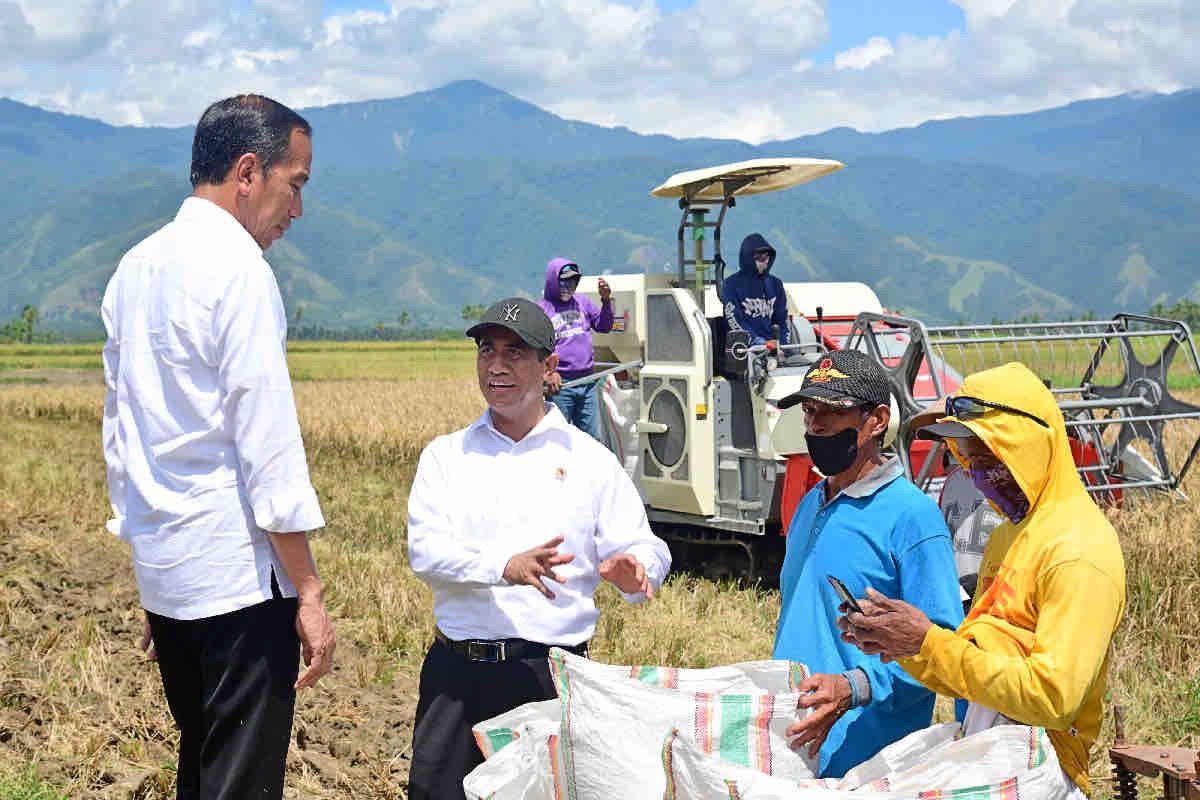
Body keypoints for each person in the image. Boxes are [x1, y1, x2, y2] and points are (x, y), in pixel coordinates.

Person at [101, 95, 335, 800]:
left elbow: (123, 436)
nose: (296, 210)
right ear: (246, 172)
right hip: (235, 581)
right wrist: (310, 588)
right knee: (238, 783)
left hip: (170, 579)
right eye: (294, 184)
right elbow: (266, 444)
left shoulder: (134, 268)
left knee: (202, 768)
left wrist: (150, 561)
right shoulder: (239, 272)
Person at [406, 296, 671, 799]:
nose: (497, 366)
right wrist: (503, 566)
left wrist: (638, 569)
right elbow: (425, 552)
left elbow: (646, 546)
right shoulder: (446, 456)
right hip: (455, 679)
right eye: (487, 351)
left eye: (515, 352)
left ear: (549, 366)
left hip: (546, 679)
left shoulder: (589, 461)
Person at [839, 362, 1126, 798]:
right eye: (967, 458)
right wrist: (904, 645)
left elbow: (1052, 698)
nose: (975, 473)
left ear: (1032, 443)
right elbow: (973, 662)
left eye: (988, 457)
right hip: (992, 751)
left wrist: (927, 643)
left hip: (1040, 769)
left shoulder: (1079, 551)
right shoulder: (1010, 533)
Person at [772, 350, 964, 777]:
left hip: (867, 760)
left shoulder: (913, 519)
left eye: (832, 412)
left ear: (876, 421)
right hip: (796, 744)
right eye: (809, 411)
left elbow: (943, 649)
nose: (816, 425)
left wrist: (853, 686)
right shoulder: (810, 506)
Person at [537, 257, 614, 438]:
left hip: (588, 382)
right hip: (561, 385)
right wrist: (546, 375)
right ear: (553, 281)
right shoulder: (541, 310)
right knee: (559, 437)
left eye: (573, 281)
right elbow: (533, 350)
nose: (569, 286)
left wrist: (606, 301)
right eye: (564, 281)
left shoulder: (583, 302)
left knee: (592, 439)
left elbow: (604, 326)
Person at [723, 233, 791, 347]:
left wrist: (783, 346)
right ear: (748, 258)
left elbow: (782, 319)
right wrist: (760, 343)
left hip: (775, 350)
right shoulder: (731, 284)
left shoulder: (776, 284)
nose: (765, 261)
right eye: (761, 258)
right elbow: (734, 320)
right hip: (746, 351)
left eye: (767, 257)